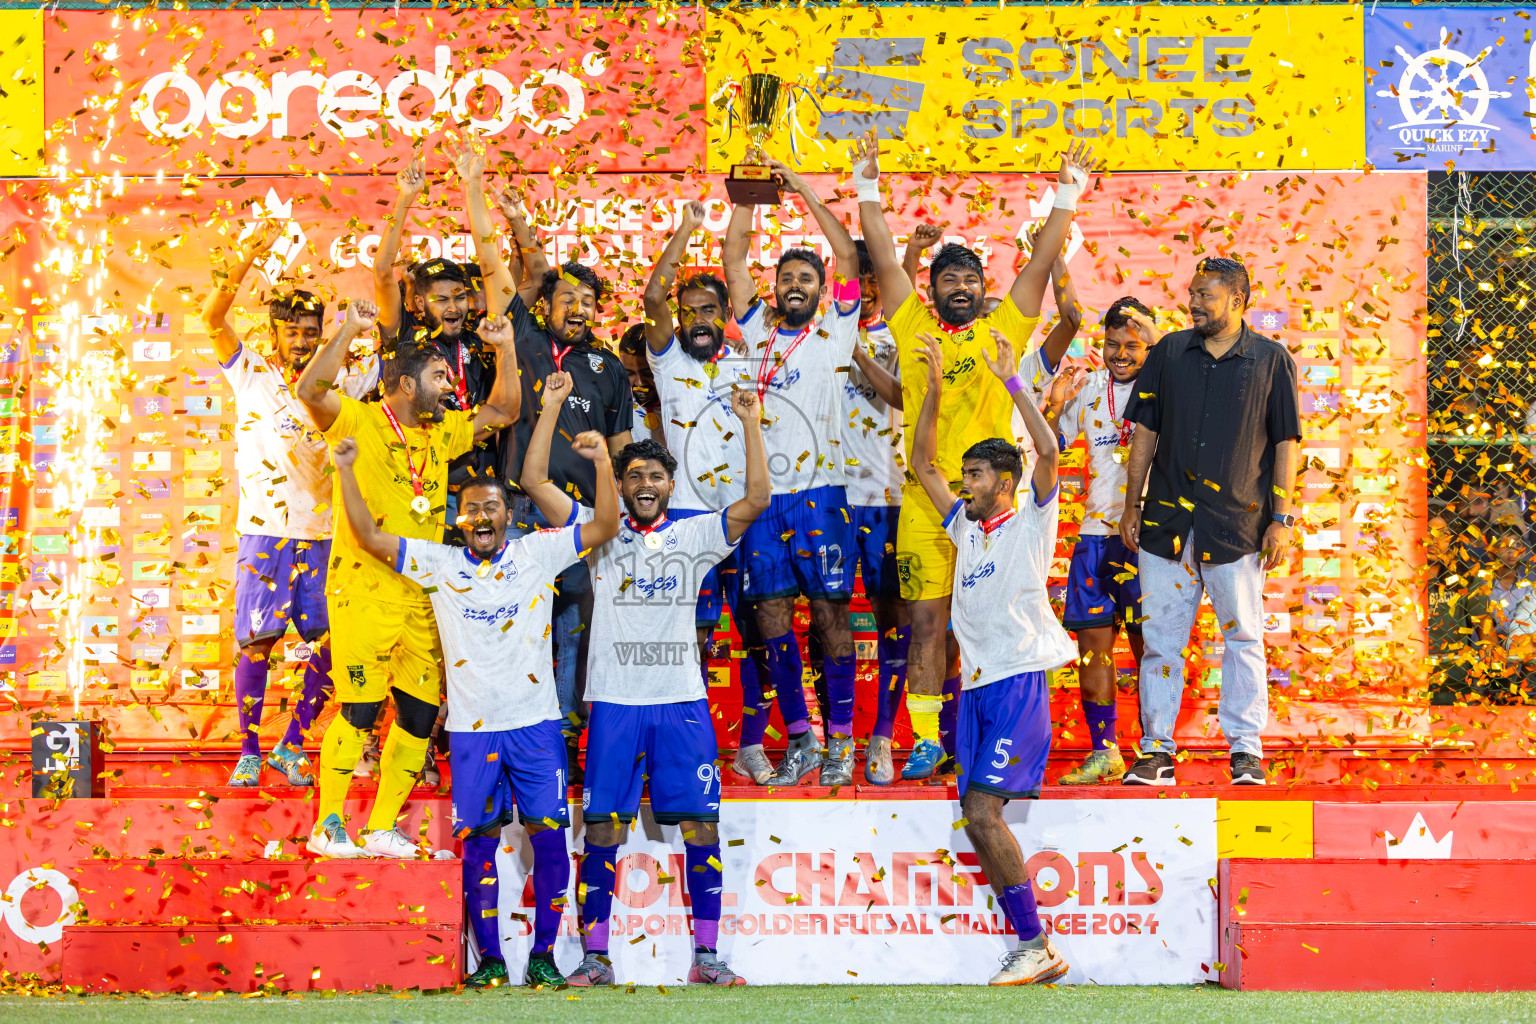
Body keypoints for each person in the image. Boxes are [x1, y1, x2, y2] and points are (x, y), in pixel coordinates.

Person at [330, 428, 618, 988]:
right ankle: (488, 959)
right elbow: (366, 536)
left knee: (550, 839)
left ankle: (542, 956)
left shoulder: (539, 552)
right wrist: (345, 468)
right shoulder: (439, 563)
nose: (481, 517)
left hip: (535, 727)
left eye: (491, 507)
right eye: (470, 511)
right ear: (459, 521)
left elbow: (605, 525)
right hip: (470, 733)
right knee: (480, 843)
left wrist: (604, 462)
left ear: (509, 514)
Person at [855, 129, 1095, 779]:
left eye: (970, 277)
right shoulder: (911, 327)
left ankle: (985, 736)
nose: (960, 285)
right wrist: (868, 187)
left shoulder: (1001, 330)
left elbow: (1041, 264)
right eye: (948, 278)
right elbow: (880, 256)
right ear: (930, 289)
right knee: (927, 625)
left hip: (995, 509)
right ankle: (929, 739)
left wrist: (1067, 193)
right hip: (924, 500)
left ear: (981, 285)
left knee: (987, 625)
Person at [521, 373, 770, 987]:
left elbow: (757, 500)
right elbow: (532, 482)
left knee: (701, 827)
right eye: (635, 477)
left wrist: (751, 423)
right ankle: (597, 958)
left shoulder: (692, 534)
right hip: (614, 703)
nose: (645, 485)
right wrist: (552, 405)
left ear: (670, 485)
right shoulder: (597, 530)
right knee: (603, 827)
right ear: (623, 485)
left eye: (656, 477)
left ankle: (707, 959)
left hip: (681, 702)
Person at [295, 316, 521, 858]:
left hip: (421, 593)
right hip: (363, 589)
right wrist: (349, 331)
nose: (450, 387)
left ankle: (380, 827)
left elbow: (505, 411)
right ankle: (327, 826)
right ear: (405, 384)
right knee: (360, 709)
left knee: (419, 712)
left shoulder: (440, 431)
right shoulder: (358, 419)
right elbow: (310, 390)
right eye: (440, 376)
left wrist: (508, 346)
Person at [908, 330, 1075, 986]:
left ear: (1004, 482)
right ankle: (1031, 944)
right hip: (976, 692)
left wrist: (1012, 383)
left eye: (974, 475)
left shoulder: (1033, 520)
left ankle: (1037, 945)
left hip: (1019, 684)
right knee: (976, 818)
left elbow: (1052, 452)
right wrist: (936, 389)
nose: (962, 483)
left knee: (982, 812)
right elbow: (922, 463)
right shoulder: (964, 529)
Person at [200, 228, 379, 788]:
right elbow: (212, 319)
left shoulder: (347, 376)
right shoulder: (250, 370)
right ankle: (250, 749)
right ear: (274, 331)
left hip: (329, 533)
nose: (301, 342)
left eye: (310, 333)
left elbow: (389, 350)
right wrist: (248, 257)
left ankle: (291, 742)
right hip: (264, 531)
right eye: (292, 332)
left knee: (332, 644)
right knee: (256, 641)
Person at [1118, 257, 1302, 786]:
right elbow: (1145, 434)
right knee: (1160, 642)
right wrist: (1133, 504)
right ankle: (1156, 751)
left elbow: (1286, 443)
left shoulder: (1271, 360)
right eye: (1193, 294)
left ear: (1239, 300)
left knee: (1243, 637)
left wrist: (1282, 518)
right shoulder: (1170, 352)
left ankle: (1246, 750)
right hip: (1166, 522)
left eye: (1206, 296)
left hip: (1239, 525)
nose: (1194, 303)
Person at [723, 159, 863, 787]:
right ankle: (800, 738)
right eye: (788, 278)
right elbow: (732, 264)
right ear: (775, 288)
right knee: (771, 619)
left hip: (822, 497)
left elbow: (848, 257)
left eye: (808, 277)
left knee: (832, 618)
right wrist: (750, 197)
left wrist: (802, 189)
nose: (798, 285)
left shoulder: (837, 330)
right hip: (762, 500)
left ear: (821, 288)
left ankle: (842, 742)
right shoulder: (756, 330)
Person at [640, 199, 776, 784]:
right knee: (684, 638)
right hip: (686, 522)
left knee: (759, 631)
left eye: (708, 310)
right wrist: (688, 228)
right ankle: (678, 747)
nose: (697, 318)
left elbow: (743, 272)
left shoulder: (747, 357)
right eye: (689, 310)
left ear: (725, 316)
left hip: (745, 515)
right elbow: (651, 298)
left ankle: (750, 744)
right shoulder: (666, 360)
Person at [504, 253, 635, 778]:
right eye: (568, 299)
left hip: (582, 523)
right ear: (546, 305)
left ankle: (565, 743)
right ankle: (514, 740)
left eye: (588, 302)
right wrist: (514, 220)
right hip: (519, 512)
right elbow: (512, 273)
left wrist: (624, 511)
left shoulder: (607, 367)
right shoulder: (522, 339)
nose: (578, 309)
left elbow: (623, 448)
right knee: (515, 629)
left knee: (574, 635)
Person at [1044, 297, 1158, 785]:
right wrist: (1053, 407)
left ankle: (1156, 747)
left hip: (1149, 536)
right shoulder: (1089, 388)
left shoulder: (1169, 389)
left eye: (1133, 345)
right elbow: (1049, 447)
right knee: (1094, 646)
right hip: (1095, 534)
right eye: (1113, 344)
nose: (1121, 353)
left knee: (1149, 645)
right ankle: (1104, 750)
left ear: (1150, 346)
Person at [617, 323, 665, 445]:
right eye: (630, 373)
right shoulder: (620, 411)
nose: (639, 383)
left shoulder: (687, 404)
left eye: (648, 374)